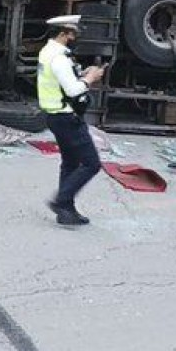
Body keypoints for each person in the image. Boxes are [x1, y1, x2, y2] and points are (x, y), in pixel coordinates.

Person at [39, 15, 106, 227]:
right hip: (66, 117)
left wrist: (80, 73)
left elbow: (59, 80)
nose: (75, 38)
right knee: (91, 164)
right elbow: (73, 90)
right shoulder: (59, 58)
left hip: (54, 115)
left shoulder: (48, 52)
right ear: (62, 34)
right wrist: (90, 78)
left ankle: (66, 211)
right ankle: (60, 201)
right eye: (72, 34)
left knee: (70, 162)